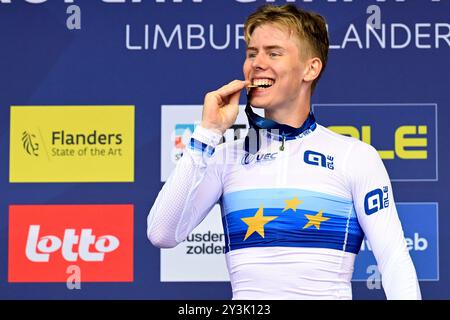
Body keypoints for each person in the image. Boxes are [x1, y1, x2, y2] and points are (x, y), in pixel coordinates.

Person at [147, 4, 421, 300]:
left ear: (310, 68)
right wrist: (207, 133)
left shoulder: (353, 156)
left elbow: (394, 261)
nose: (256, 63)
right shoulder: (225, 157)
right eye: (252, 53)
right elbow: (162, 233)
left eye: (273, 53)